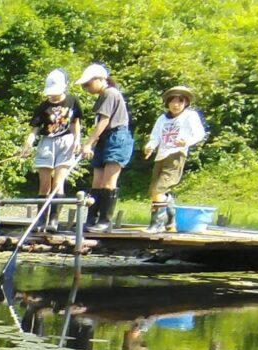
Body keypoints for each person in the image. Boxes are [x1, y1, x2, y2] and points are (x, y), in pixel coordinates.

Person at [18, 69, 83, 229]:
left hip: (66, 141)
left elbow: (76, 123)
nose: (52, 96)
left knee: (59, 182)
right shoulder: (43, 106)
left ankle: (53, 219)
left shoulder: (72, 101)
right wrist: (27, 146)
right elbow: (34, 130)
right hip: (47, 142)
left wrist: (77, 141)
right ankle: (41, 219)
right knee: (45, 183)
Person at [144, 86, 207, 233]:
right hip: (161, 156)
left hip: (176, 155)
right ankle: (171, 222)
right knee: (157, 191)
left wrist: (187, 141)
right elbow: (155, 137)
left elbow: (199, 133)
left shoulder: (190, 116)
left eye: (180, 101)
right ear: (167, 103)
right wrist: (150, 146)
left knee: (158, 190)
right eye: (173, 101)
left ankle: (157, 225)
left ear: (186, 103)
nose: (176, 104)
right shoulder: (162, 119)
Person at [78, 62, 131, 232]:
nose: (86, 87)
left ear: (101, 79)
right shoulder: (103, 95)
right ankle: (92, 218)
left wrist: (88, 143)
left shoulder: (110, 93)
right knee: (97, 181)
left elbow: (104, 121)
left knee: (109, 181)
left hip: (116, 137)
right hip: (104, 138)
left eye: (88, 83)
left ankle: (105, 221)